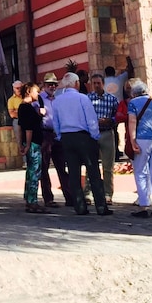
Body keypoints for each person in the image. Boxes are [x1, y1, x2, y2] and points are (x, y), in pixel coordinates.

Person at [50, 72, 111, 216]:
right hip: (83, 137)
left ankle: (79, 206)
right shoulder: (82, 98)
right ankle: (101, 207)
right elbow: (91, 120)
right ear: (77, 83)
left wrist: (60, 136)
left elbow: (56, 122)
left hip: (66, 137)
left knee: (73, 173)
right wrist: (94, 136)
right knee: (93, 172)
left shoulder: (57, 101)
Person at [128, 80, 152, 218]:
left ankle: (143, 206)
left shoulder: (133, 103)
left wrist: (132, 141)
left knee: (141, 172)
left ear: (134, 93)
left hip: (142, 139)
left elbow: (132, 121)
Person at [37, 72, 70, 207]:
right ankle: (48, 198)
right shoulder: (39, 99)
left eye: (54, 84)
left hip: (57, 134)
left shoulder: (58, 99)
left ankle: (70, 197)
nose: (52, 87)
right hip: (45, 134)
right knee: (44, 168)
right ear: (44, 85)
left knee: (62, 167)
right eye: (49, 84)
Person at [87, 72, 119, 203]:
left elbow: (118, 115)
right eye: (94, 83)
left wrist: (110, 120)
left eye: (98, 83)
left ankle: (107, 194)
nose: (96, 86)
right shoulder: (87, 99)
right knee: (90, 164)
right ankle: (88, 193)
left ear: (103, 84)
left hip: (107, 133)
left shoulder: (112, 99)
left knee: (108, 166)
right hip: (92, 134)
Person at [17, 83, 48, 213]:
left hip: (29, 143)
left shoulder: (22, 107)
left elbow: (20, 127)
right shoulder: (28, 108)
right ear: (29, 92)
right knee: (34, 172)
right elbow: (28, 128)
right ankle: (32, 201)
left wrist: (20, 143)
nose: (38, 94)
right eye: (36, 91)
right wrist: (28, 144)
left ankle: (29, 199)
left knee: (30, 171)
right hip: (33, 143)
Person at [7, 79, 24, 145]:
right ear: (14, 89)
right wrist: (23, 114)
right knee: (19, 138)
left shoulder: (26, 97)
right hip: (18, 120)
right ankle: (21, 149)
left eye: (20, 88)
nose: (19, 89)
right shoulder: (11, 100)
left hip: (28, 119)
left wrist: (17, 111)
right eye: (17, 88)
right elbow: (12, 114)